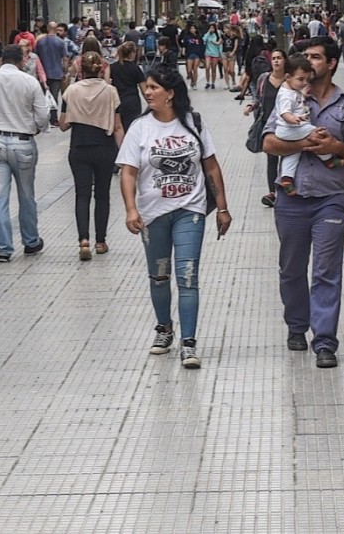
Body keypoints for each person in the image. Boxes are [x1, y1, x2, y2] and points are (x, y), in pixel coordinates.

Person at [262, 37, 344, 368]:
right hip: (291, 198)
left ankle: (324, 341)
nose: (308, 62)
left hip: (330, 199)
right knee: (291, 268)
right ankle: (297, 325)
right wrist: (302, 144)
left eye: (315, 57)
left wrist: (336, 147)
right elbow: (268, 143)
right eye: (305, 57)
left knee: (326, 270)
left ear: (332, 63)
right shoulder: (289, 96)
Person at [117, 65, 230, 370]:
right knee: (159, 276)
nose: (147, 92)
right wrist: (131, 208)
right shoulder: (140, 127)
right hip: (153, 215)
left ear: (170, 93)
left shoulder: (193, 123)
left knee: (187, 276)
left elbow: (211, 165)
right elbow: (128, 171)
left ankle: (189, 343)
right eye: (147, 87)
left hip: (190, 211)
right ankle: (164, 328)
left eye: (154, 87)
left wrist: (222, 207)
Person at [0, 43, 51, 262]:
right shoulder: (29, 82)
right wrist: (36, 127)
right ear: (22, 60)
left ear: (1, 60)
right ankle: (30, 241)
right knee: (26, 195)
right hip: (23, 143)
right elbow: (43, 116)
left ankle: (3, 248)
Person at [59, 52, 123, 260]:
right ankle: (101, 241)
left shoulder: (71, 91)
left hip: (79, 147)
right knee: (102, 195)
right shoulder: (111, 91)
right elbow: (118, 126)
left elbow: (63, 125)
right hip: (104, 147)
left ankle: (83, 240)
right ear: (101, 69)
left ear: (81, 70)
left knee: (82, 194)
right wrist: (124, 154)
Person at [271, 55, 337, 196]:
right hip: (290, 128)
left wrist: (302, 95)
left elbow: (295, 99)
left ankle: (287, 178)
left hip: (287, 130)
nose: (304, 83)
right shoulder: (286, 95)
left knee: (293, 154)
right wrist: (293, 119)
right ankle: (328, 159)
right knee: (317, 134)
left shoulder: (291, 90)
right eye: (301, 79)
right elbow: (284, 112)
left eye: (306, 79)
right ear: (288, 77)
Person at [245, 48, 287, 207]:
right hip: (268, 126)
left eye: (279, 58)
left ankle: (286, 190)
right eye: (274, 58)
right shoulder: (264, 78)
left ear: (285, 61)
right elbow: (258, 98)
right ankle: (273, 192)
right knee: (271, 159)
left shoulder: (290, 79)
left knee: (288, 158)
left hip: (286, 126)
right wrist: (251, 106)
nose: (276, 61)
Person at [36, 20, 69, 123]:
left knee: (42, 96)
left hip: (42, 73)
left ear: (47, 29)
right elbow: (65, 58)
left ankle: (43, 118)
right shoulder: (61, 42)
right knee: (54, 96)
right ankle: (53, 118)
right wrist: (65, 71)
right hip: (56, 73)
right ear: (56, 29)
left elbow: (36, 57)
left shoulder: (40, 42)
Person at [111, 41, 147, 132]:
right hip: (132, 101)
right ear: (132, 53)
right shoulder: (135, 68)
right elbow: (144, 89)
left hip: (117, 100)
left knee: (118, 129)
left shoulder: (112, 67)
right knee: (132, 129)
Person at [180, 23, 205, 88]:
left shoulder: (199, 37)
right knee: (189, 70)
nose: (192, 30)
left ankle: (195, 83)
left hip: (197, 54)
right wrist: (183, 51)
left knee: (195, 69)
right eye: (191, 28)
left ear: (196, 29)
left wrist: (202, 56)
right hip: (189, 53)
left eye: (193, 28)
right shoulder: (187, 37)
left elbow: (202, 46)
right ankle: (192, 80)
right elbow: (184, 45)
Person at [201, 23, 223, 89]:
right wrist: (208, 33)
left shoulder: (217, 35)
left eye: (213, 28)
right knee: (207, 67)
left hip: (215, 54)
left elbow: (220, 45)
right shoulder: (207, 35)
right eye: (210, 28)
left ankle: (213, 83)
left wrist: (220, 54)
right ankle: (207, 82)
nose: (212, 29)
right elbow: (203, 40)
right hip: (208, 53)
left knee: (214, 68)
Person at [219, 26, 239, 90]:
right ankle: (227, 84)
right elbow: (219, 43)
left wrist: (233, 52)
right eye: (224, 28)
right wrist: (213, 42)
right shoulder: (223, 36)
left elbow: (235, 46)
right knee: (225, 69)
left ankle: (233, 79)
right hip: (224, 53)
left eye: (226, 28)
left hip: (231, 53)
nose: (224, 30)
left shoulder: (234, 36)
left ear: (229, 29)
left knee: (231, 70)